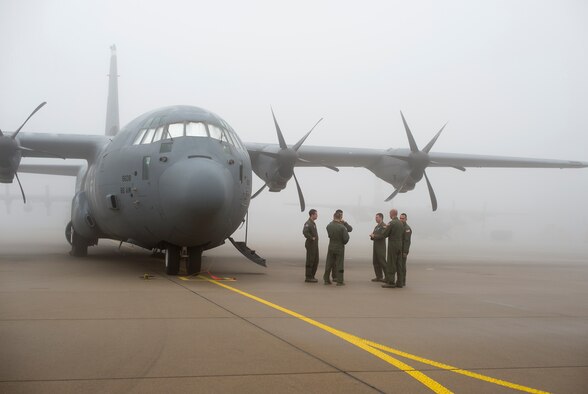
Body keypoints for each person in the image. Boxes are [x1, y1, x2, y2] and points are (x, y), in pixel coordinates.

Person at [323, 211, 349, 286]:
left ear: (334, 217)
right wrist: (342, 242)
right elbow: (346, 239)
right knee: (339, 264)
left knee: (329, 263)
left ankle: (326, 279)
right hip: (339, 247)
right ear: (340, 217)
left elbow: (329, 235)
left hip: (331, 246)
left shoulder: (329, 226)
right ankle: (339, 281)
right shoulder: (342, 227)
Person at [382, 208, 403, 288]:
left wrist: (385, 228)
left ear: (392, 214)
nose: (389, 215)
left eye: (390, 214)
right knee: (399, 264)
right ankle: (400, 282)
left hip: (393, 245)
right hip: (399, 244)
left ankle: (391, 282)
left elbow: (385, 234)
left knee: (391, 263)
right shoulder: (401, 223)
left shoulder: (391, 223)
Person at [329, 209, 352, 282]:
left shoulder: (342, 223)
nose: (341, 216)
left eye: (342, 215)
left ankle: (337, 277)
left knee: (338, 262)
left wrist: (345, 223)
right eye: (340, 215)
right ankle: (335, 276)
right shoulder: (333, 223)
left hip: (340, 244)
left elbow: (350, 229)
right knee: (334, 262)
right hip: (336, 244)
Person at [302, 209, 319, 282]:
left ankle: (312, 275)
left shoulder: (313, 223)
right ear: (312, 215)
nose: (317, 215)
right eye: (316, 214)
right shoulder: (308, 223)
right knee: (310, 260)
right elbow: (305, 232)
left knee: (316, 260)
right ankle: (308, 277)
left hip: (315, 245)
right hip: (310, 245)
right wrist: (311, 237)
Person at [369, 212, 387, 282]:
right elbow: (374, 234)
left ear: (381, 218)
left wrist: (374, 236)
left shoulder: (384, 226)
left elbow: (383, 235)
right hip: (375, 246)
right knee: (375, 262)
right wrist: (372, 236)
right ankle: (379, 276)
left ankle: (387, 277)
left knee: (382, 262)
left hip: (381, 247)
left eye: (377, 217)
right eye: (375, 217)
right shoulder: (377, 226)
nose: (375, 218)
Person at [398, 212, 412, 287]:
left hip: (403, 250)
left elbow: (407, 241)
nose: (401, 219)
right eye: (400, 218)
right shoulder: (400, 227)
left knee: (402, 266)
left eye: (403, 218)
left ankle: (403, 281)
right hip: (399, 250)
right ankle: (399, 280)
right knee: (399, 266)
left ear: (406, 219)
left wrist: (405, 252)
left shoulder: (407, 228)